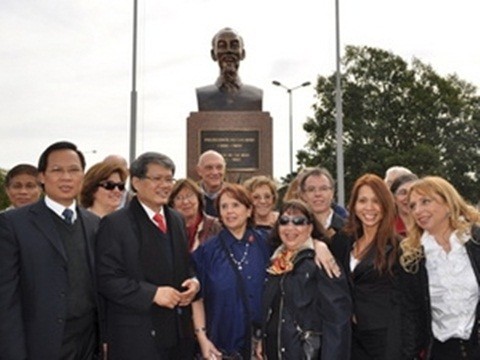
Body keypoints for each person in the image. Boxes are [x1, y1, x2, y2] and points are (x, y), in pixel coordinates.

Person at [0, 141, 101, 359]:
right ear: (42, 177)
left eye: (74, 170)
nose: (66, 177)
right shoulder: (13, 224)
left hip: (87, 344)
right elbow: (6, 298)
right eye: (57, 170)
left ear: (82, 176)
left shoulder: (95, 224)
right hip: (40, 345)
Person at [95, 152, 199, 360]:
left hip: (178, 335)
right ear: (136, 182)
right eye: (157, 179)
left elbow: (183, 264)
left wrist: (194, 282)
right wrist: (152, 294)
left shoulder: (177, 219)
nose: (165, 185)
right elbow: (107, 279)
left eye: (169, 179)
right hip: (137, 337)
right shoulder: (115, 224)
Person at [258, 199, 352, 360]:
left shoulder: (322, 262)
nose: (290, 227)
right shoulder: (275, 263)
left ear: (310, 227)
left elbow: (338, 321)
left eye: (299, 222)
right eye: (284, 221)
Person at [399, 176, 480, 360]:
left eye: (425, 201)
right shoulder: (411, 257)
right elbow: (410, 315)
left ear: (448, 203)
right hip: (439, 352)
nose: (418, 210)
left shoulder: (475, 241)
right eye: (412, 206)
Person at [191, 183, 271, 359]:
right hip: (220, 345)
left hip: (260, 346)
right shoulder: (207, 252)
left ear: (249, 210)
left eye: (236, 205)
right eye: (224, 206)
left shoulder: (266, 244)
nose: (229, 211)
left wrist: (319, 247)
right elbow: (196, 298)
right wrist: (202, 338)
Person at [330, 173, 401, 360]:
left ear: (386, 205)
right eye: (362, 201)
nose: (369, 208)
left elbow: (410, 302)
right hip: (349, 339)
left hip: (385, 342)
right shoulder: (342, 241)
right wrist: (320, 247)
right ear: (353, 205)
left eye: (376, 201)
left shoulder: (399, 248)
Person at [196, 27, 263, 111]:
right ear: (213, 54)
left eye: (234, 46)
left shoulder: (255, 95)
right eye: (222, 46)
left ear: (243, 54)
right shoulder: (203, 95)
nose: (228, 50)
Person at [168, 178, 222, 252]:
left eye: (189, 195)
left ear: (199, 199)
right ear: (172, 204)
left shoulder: (216, 226)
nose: (185, 202)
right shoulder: (167, 229)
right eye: (179, 198)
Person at [299, 167, 346, 237]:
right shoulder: (296, 230)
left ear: (332, 193)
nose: (317, 194)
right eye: (311, 189)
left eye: (323, 189)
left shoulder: (348, 230)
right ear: (303, 195)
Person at [196, 149, 226, 217]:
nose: (215, 172)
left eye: (219, 167)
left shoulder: (234, 194)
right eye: (209, 168)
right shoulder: (192, 195)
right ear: (199, 171)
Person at [389, 173, 418, 237]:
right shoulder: (388, 228)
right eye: (403, 193)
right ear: (394, 198)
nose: (408, 197)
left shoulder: (430, 224)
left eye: (412, 192)